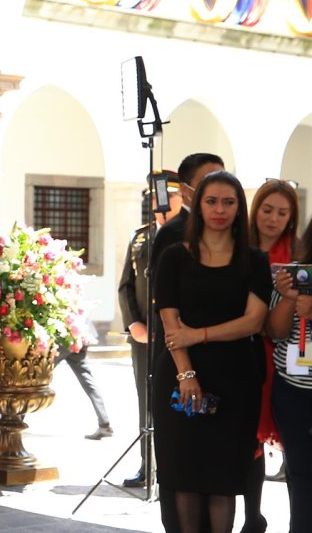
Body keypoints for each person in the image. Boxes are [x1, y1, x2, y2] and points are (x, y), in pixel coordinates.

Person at [154, 170, 271, 533]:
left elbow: (253, 322)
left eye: (229, 202)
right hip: (179, 373)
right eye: (212, 201)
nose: (220, 209)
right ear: (198, 205)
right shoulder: (175, 256)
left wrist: (198, 334)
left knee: (223, 480)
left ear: (239, 208)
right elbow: (171, 324)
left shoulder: (254, 260)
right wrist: (187, 375)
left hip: (235, 376)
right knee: (185, 476)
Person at [117, 170, 183, 487]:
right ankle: (148, 466)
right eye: (157, 197)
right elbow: (125, 287)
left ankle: (174, 465)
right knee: (146, 402)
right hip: (144, 337)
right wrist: (134, 324)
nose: (160, 203)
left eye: (167, 196)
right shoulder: (140, 237)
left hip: (178, 336)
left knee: (173, 401)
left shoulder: (188, 235)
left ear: (181, 198)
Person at [244, 177, 300, 531]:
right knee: (248, 438)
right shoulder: (237, 249)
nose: (273, 218)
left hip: (283, 357)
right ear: (255, 211)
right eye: (267, 210)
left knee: (288, 441)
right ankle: (253, 515)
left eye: (282, 212)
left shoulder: (297, 255)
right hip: (241, 352)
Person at [265, 217, 312, 533]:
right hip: (294, 392)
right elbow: (275, 331)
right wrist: (290, 299)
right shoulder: (295, 273)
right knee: (301, 475)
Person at [57, 310, 113, 440]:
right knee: (87, 380)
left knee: (38, 376)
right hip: (81, 334)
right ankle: (104, 424)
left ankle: (17, 417)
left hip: (64, 336)